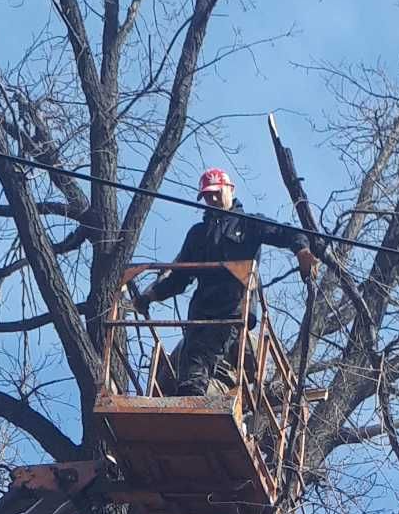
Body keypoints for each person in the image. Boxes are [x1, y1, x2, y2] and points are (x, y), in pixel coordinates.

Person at [135, 165, 315, 396]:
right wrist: (151, 295)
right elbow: (180, 277)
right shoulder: (198, 234)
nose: (212, 198)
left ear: (230, 189)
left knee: (201, 356)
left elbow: (287, 233)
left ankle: (193, 401)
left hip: (232, 310)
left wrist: (302, 251)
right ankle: (193, 398)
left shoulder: (248, 224)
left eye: (216, 193)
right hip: (201, 313)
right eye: (207, 195)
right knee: (189, 357)